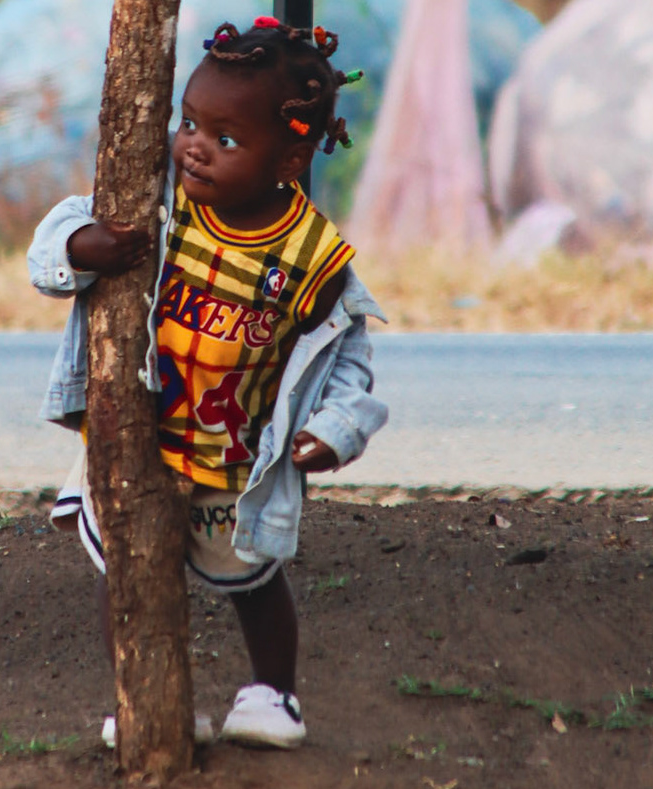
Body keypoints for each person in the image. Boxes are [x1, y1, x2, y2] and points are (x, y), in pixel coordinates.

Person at [27, 17, 387, 751]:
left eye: (225, 138)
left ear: (290, 157)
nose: (193, 145)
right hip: (138, 440)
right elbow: (54, 238)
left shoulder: (309, 257)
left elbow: (346, 355)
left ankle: (274, 693)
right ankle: (143, 696)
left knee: (252, 578)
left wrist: (336, 429)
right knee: (127, 570)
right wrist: (81, 246)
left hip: (231, 461)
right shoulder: (160, 200)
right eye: (189, 122)